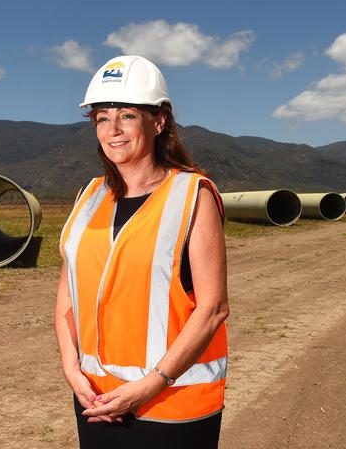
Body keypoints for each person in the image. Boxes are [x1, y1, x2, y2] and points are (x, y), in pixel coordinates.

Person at [54, 55, 229, 448]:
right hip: (97, 399)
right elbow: (68, 293)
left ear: (159, 121)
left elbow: (213, 308)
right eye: (102, 118)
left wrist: (150, 385)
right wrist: (71, 369)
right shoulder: (89, 196)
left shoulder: (191, 195)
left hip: (172, 404)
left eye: (127, 116)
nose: (113, 130)